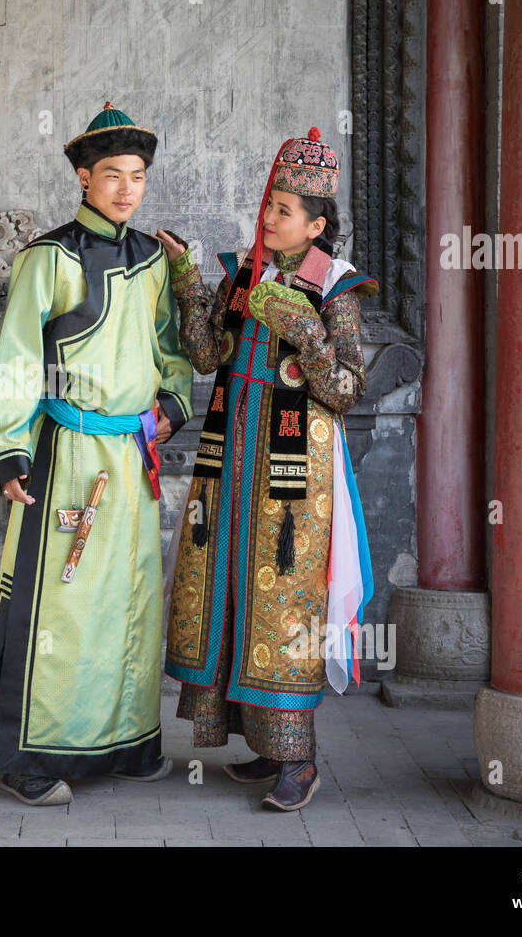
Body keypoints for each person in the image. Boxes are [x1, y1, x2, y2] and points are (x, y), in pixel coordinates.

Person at [0, 102, 194, 806]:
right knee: (60, 606)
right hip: (67, 449)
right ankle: (28, 756)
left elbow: (170, 348)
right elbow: (15, 356)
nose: (127, 189)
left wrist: (170, 404)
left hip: (131, 458)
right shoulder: (49, 258)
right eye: (112, 175)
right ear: (83, 177)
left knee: (130, 601)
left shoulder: (155, 259)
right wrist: (11, 450)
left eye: (136, 176)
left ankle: (128, 743)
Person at [155, 127, 376, 811]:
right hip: (229, 461)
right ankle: (260, 745)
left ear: (316, 225)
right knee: (227, 589)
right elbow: (204, 354)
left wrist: (306, 332)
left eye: (286, 211)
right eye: (270, 205)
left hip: (293, 478)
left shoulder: (334, 290)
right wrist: (191, 279)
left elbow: (346, 389)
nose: (270, 218)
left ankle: (298, 761)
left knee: (282, 600)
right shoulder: (244, 273)